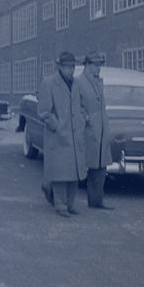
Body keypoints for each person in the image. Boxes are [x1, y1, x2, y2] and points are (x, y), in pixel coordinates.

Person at [37, 52, 87, 218]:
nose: (71, 70)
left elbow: (81, 105)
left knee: (74, 173)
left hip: (75, 135)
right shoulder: (49, 83)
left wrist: (82, 120)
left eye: (72, 66)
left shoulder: (77, 83)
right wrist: (57, 127)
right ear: (59, 66)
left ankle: (70, 204)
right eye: (67, 66)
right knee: (60, 174)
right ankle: (60, 205)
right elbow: (44, 112)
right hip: (58, 136)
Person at [76, 51, 113, 210]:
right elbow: (76, 105)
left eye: (100, 65)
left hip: (101, 131)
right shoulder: (78, 82)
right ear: (87, 65)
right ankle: (52, 192)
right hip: (87, 131)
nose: (99, 68)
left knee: (100, 167)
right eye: (96, 65)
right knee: (76, 166)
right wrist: (86, 117)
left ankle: (96, 201)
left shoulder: (98, 82)